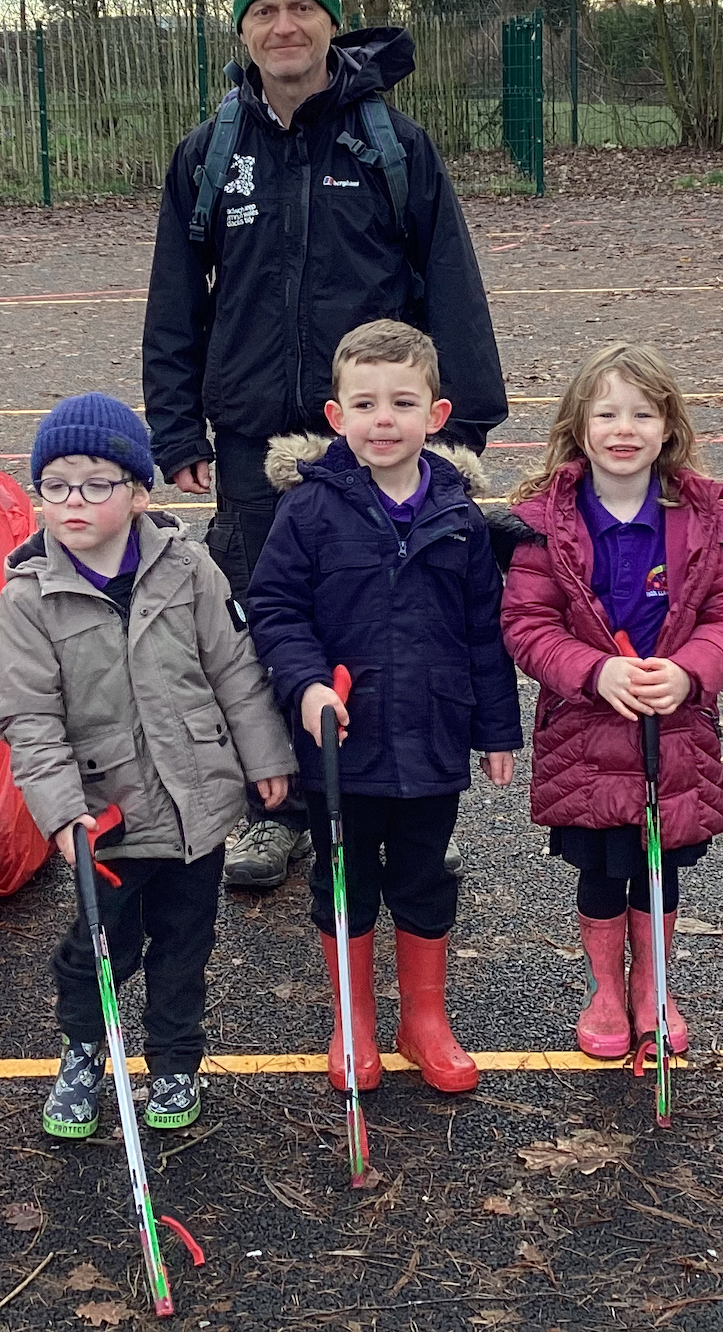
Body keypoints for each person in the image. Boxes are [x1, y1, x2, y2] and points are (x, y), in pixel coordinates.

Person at [142, 0, 509, 890]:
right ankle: (288, 810)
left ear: (329, 22)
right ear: (242, 30)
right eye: (263, 10)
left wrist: (458, 430)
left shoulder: (392, 144)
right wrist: (176, 427)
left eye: (300, 7)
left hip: (379, 436)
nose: (283, 24)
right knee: (274, 623)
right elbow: (175, 300)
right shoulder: (210, 153)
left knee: (398, 621)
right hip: (259, 444)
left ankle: (412, 800)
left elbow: (454, 287)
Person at [0, 394, 297, 1139]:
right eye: (56, 484)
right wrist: (62, 812)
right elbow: (28, 718)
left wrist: (265, 758)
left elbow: (234, 671)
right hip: (108, 820)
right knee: (100, 945)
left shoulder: (189, 568)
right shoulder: (29, 598)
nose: (74, 501)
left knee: (185, 943)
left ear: (138, 492)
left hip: (199, 808)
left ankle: (176, 1056)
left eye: (96, 483)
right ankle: (83, 1047)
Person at [245, 320, 522, 1094]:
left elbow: (482, 631)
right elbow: (275, 607)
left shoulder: (461, 518)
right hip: (343, 740)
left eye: (403, 401)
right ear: (336, 416)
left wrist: (497, 726)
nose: (384, 419)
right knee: (345, 878)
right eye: (364, 403)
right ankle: (355, 1017)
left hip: (433, 736)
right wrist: (305, 683)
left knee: (424, 876)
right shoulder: (307, 511)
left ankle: (423, 1018)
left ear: (437, 414)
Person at [500, 342, 723, 1059]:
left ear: (668, 425)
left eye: (642, 413)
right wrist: (591, 671)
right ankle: (606, 992)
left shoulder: (708, 518)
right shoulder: (546, 523)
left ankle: (652, 985)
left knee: (659, 868)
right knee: (600, 868)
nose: (624, 428)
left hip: (674, 732)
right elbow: (527, 624)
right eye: (607, 411)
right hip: (585, 735)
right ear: (579, 425)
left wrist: (688, 671)